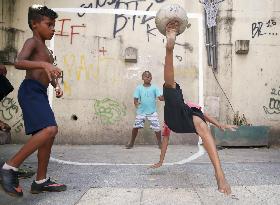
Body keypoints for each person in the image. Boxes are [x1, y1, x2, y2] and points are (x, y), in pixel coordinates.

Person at [151, 20, 232, 195]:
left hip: (181, 117)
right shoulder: (173, 105)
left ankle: (219, 174)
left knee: (198, 120)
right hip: (181, 116)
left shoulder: (177, 109)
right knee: (172, 88)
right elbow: (203, 115)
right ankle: (169, 50)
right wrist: (161, 161)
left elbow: (167, 139)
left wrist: (218, 125)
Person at [0, 5, 66, 197]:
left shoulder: (45, 48)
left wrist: (56, 85)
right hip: (30, 91)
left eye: (54, 25)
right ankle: (10, 167)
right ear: (34, 24)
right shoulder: (33, 41)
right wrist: (46, 64)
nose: (53, 29)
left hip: (40, 92)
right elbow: (19, 62)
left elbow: (46, 73)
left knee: (49, 136)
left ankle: (41, 180)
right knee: (50, 129)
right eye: (49, 24)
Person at [152, 101, 237, 169]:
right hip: (186, 125)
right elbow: (165, 140)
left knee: (201, 126)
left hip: (194, 123)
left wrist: (218, 124)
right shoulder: (169, 120)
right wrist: (161, 161)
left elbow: (204, 116)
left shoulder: (190, 108)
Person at [125, 71, 164, 149]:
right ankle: (131, 142)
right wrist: (136, 104)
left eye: (149, 76)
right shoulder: (139, 88)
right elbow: (135, 99)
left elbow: (161, 98)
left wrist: (164, 96)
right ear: (142, 78)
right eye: (146, 76)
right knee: (135, 127)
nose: (147, 77)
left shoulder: (155, 88)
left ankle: (160, 143)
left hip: (152, 111)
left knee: (157, 128)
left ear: (151, 78)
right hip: (141, 111)